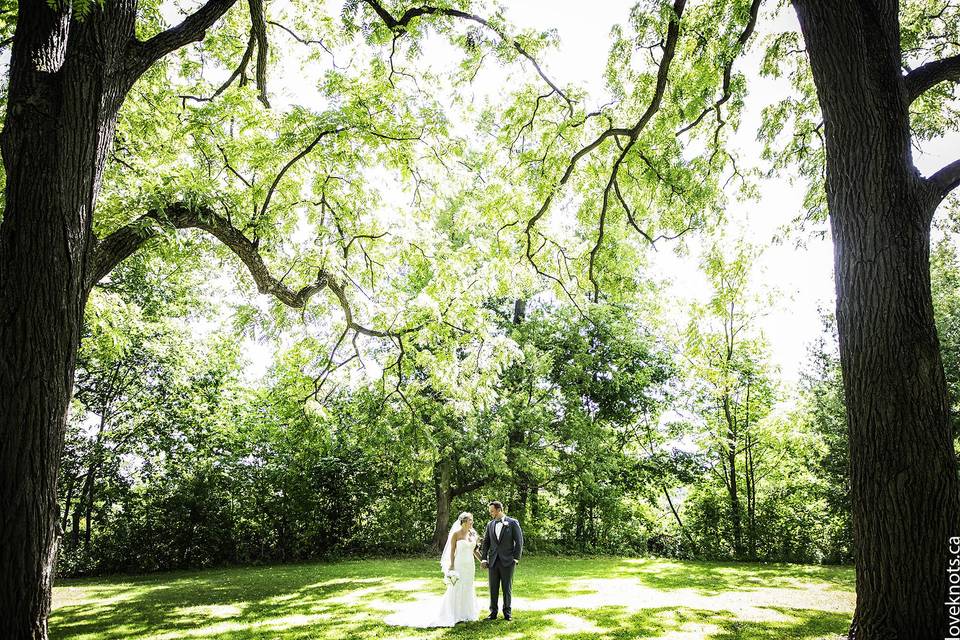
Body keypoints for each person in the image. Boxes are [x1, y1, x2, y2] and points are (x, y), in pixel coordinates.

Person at [384, 512, 480, 627]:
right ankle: (455, 614)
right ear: (464, 522)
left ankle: (467, 613)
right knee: (456, 588)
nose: (472, 522)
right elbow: (452, 551)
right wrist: (452, 565)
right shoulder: (456, 534)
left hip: (470, 566)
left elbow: (475, 551)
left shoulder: (473, 534)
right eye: (470, 520)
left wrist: (483, 561)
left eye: (472, 520)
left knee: (468, 586)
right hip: (459, 564)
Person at [479, 500, 523, 621]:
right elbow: (486, 543)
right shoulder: (490, 524)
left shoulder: (512, 523)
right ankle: (493, 613)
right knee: (493, 588)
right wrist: (483, 559)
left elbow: (519, 542)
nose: (491, 513)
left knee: (506, 588)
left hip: (508, 561)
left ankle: (507, 613)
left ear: (499, 510)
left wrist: (515, 558)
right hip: (493, 561)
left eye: (492, 511)